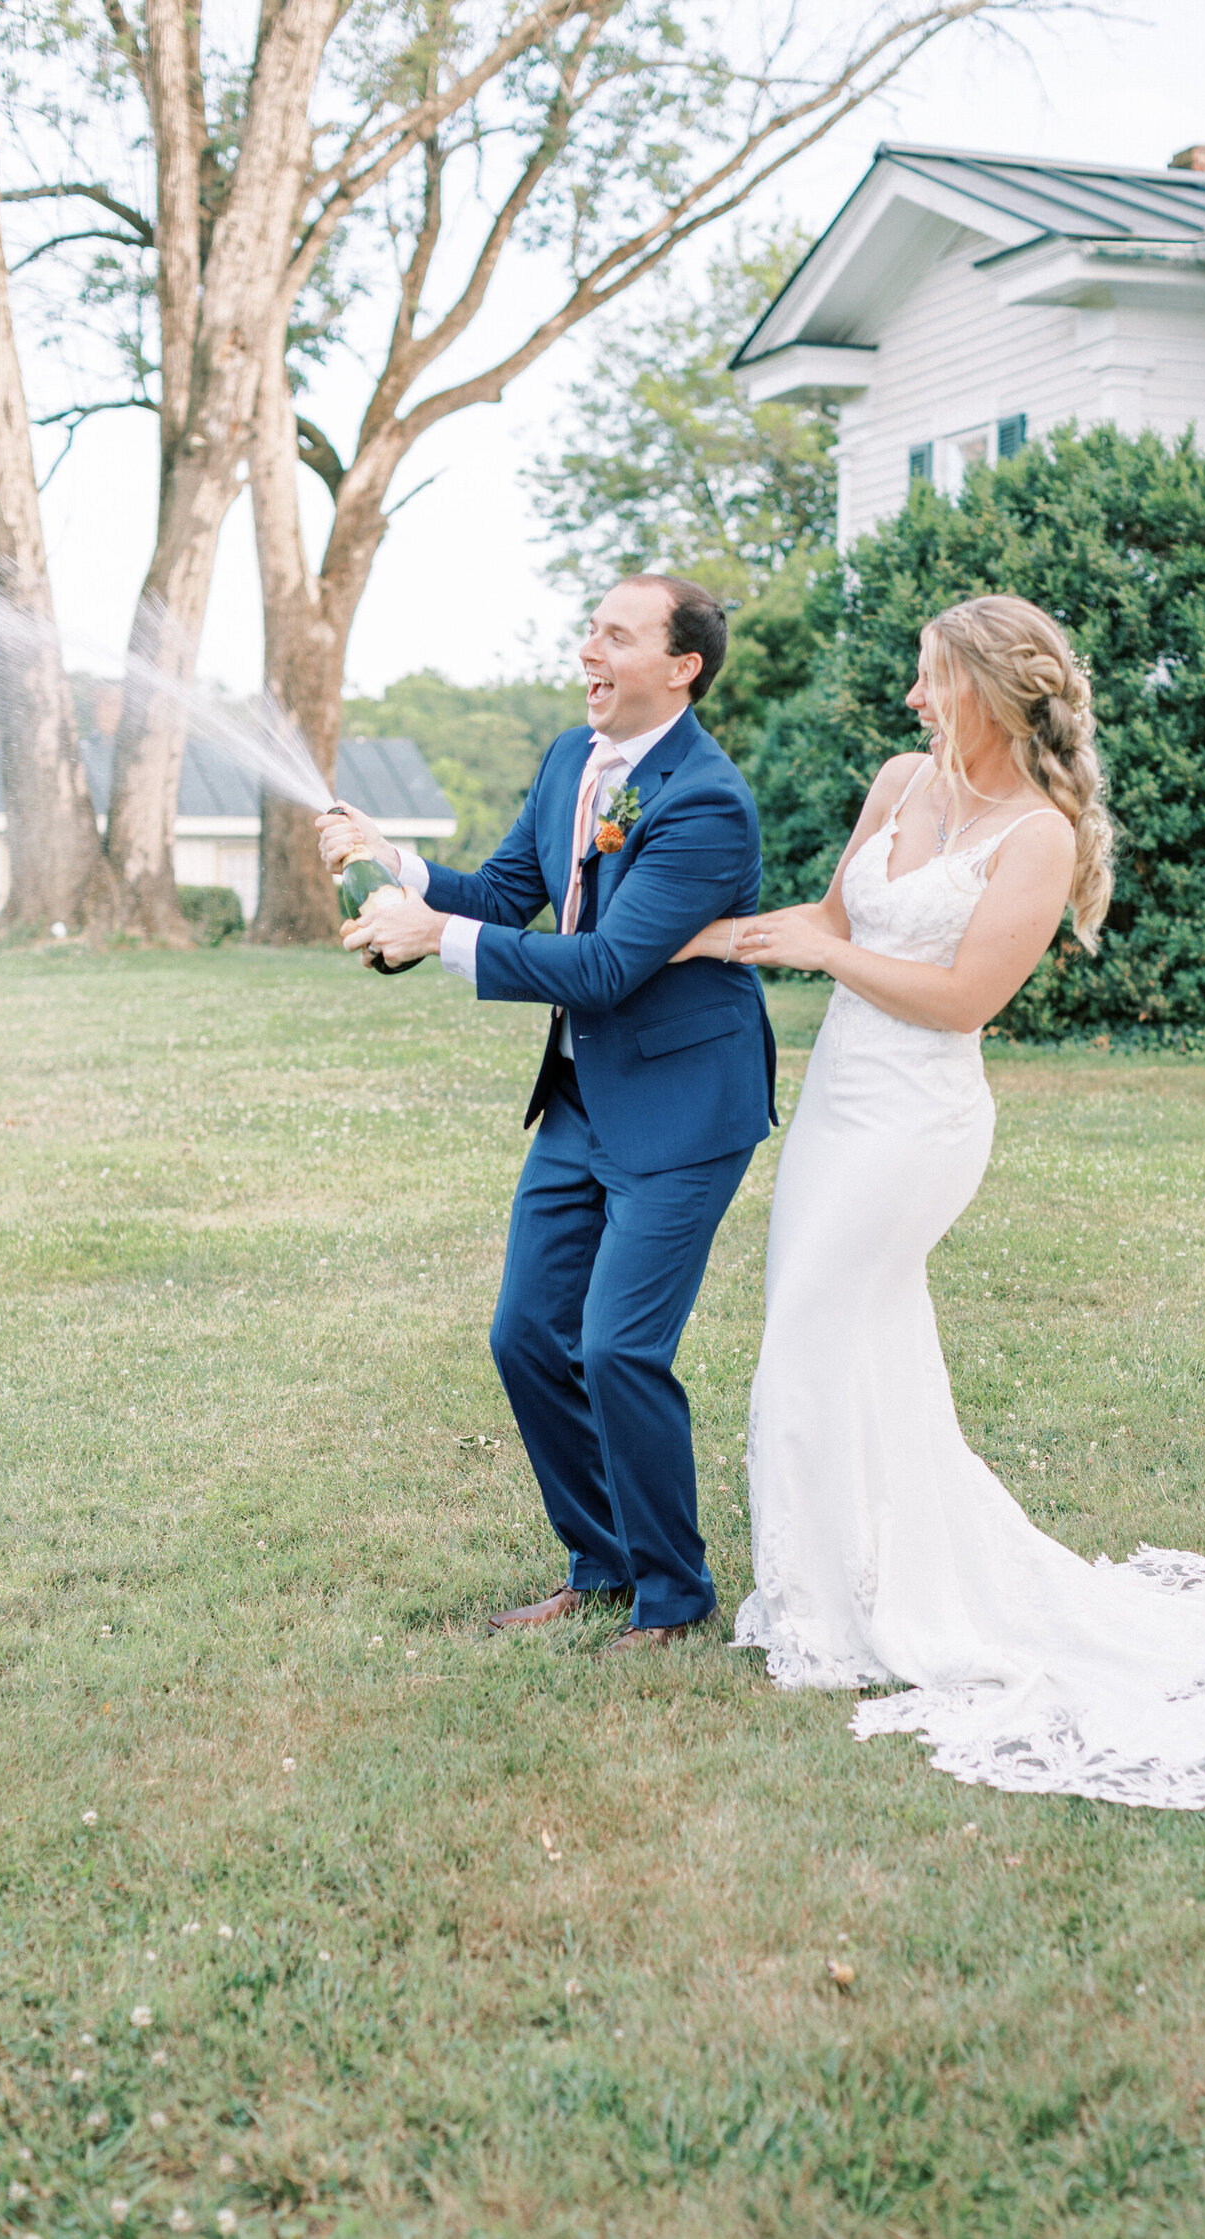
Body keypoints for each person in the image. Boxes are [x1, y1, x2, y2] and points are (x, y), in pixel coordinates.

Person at [674, 594, 1205, 1815]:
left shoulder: (1035, 834)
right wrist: (685, 940)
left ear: (987, 689)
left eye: (934, 679)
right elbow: (828, 919)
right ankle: (848, 1585)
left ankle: (844, 1609)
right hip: (836, 1111)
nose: (915, 699)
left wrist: (827, 960)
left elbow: (963, 997)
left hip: (919, 1121)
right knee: (857, 1340)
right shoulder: (896, 781)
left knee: (811, 1335)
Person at [318, 574, 776, 1650]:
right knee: (526, 1334)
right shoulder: (572, 760)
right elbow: (506, 890)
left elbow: (612, 964)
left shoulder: (707, 801)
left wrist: (437, 940)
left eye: (616, 636)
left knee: (618, 1348)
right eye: (590, 632)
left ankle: (673, 1591)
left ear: (681, 667)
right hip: (579, 1099)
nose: (590, 651)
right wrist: (399, 867)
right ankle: (601, 1560)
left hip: (682, 1109)